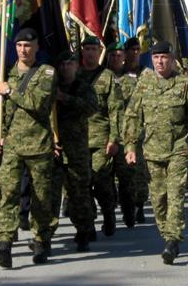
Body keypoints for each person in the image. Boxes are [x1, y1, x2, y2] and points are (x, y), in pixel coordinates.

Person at [123, 41, 188, 265]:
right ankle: (166, 233)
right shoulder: (144, 82)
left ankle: (172, 240)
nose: (160, 61)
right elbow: (132, 115)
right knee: (158, 200)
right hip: (151, 151)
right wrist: (130, 146)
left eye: (164, 57)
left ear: (172, 59)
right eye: (156, 57)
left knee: (176, 196)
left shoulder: (185, 84)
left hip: (178, 149)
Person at [0, 28, 58, 267]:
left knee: (40, 198)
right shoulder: (7, 73)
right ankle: (4, 245)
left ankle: (40, 242)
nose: (22, 50)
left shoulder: (46, 73)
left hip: (38, 146)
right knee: (8, 194)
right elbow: (4, 110)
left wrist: (10, 90)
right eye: (19, 45)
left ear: (36, 47)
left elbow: (38, 103)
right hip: (12, 147)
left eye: (27, 46)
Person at [78, 35, 123, 239]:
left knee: (101, 181)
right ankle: (87, 226)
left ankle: (108, 213)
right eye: (86, 49)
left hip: (101, 140)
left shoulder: (108, 77)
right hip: (77, 140)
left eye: (93, 49)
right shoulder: (75, 74)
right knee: (81, 184)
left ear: (99, 52)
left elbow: (116, 111)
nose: (89, 53)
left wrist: (114, 139)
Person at [52, 49, 97, 252]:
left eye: (69, 64)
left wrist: (65, 99)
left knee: (79, 193)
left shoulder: (83, 87)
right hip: (54, 147)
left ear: (76, 66)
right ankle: (45, 234)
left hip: (77, 148)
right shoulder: (51, 87)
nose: (65, 68)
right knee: (51, 193)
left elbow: (90, 108)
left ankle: (84, 231)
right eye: (62, 64)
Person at [106, 41, 141, 227]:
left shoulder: (131, 80)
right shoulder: (102, 78)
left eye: (119, 55)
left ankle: (129, 211)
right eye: (112, 55)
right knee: (105, 179)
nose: (116, 58)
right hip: (104, 136)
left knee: (126, 178)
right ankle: (109, 213)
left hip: (125, 135)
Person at [120, 37, 150, 224]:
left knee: (140, 171)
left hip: (143, 131)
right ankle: (126, 206)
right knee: (124, 173)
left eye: (138, 50)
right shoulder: (118, 74)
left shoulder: (147, 75)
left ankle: (139, 204)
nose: (135, 53)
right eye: (131, 49)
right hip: (122, 130)